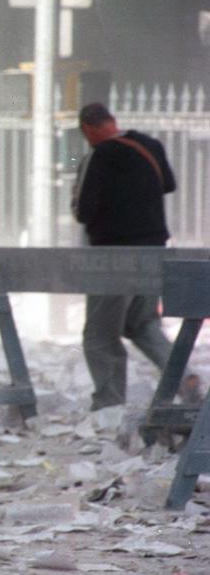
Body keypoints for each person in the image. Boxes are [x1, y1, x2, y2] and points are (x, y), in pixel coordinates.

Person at [71, 102, 199, 409]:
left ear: (88, 129)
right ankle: (185, 378)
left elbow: (84, 210)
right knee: (141, 324)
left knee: (100, 335)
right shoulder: (150, 145)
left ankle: (109, 405)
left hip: (114, 254)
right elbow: (168, 184)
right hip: (154, 251)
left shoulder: (100, 154)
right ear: (112, 121)